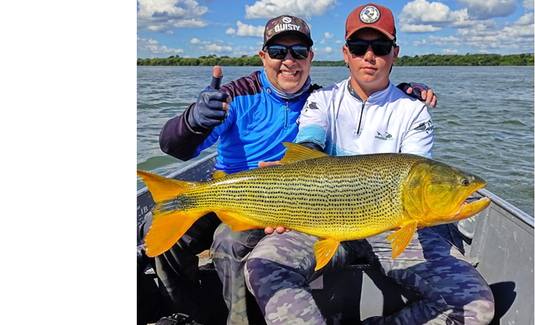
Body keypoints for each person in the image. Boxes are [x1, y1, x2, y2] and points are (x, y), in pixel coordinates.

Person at [138, 13, 439, 325]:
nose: (289, 62)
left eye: (298, 53)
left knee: (229, 242)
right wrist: (191, 121)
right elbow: (175, 148)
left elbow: (358, 101)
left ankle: (241, 320)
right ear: (263, 56)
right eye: (279, 52)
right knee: (152, 225)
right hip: (229, 189)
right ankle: (189, 312)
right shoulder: (235, 95)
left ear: (310, 58)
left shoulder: (319, 99)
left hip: (284, 198)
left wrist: (401, 91)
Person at [244, 4, 495, 325]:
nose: (370, 55)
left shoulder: (413, 111)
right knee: (262, 266)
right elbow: (309, 144)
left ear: (395, 53)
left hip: (396, 228)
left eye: (381, 47)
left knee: (475, 306)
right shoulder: (321, 102)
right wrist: (287, 186)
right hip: (322, 217)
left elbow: (419, 182)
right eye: (360, 47)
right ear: (346, 53)